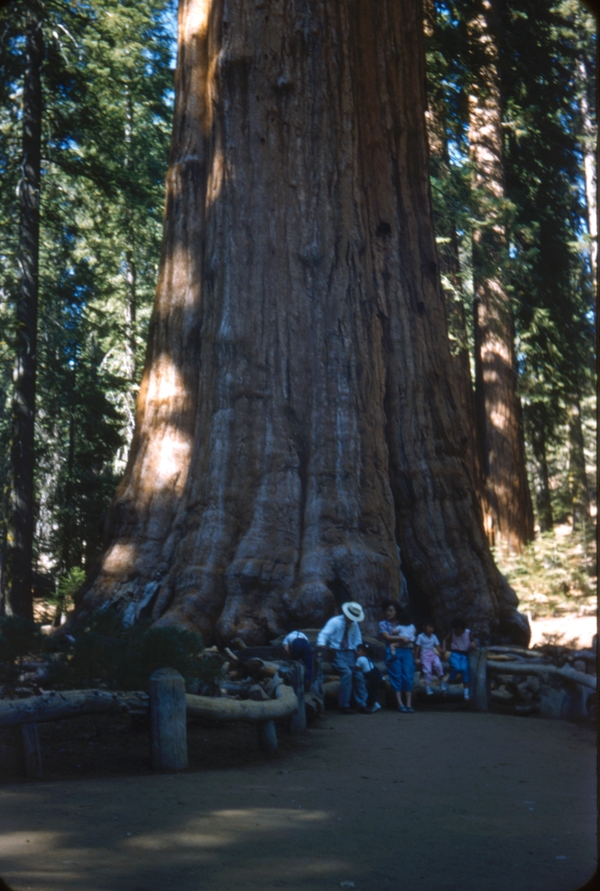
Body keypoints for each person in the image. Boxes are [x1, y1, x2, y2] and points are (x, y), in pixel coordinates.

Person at [316, 602, 369, 714]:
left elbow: (358, 640)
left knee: (359, 675)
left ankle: (362, 704)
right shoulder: (335, 622)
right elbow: (324, 634)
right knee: (347, 673)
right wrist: (321, 644)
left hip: (351, 653)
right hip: (336, 653)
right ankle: (344, 705)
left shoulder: (354, 625)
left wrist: (359, 652)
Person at [379, 601, 416, 713]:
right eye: (386, 611)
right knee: (396, 675)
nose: (388, 613)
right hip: (393, 650)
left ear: (396, 612)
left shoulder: (403, 621)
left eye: (391, 610)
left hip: (407, 650)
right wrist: (401, 638)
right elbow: (387, 637)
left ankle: (409, 703)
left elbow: (412, 633)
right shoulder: (383, 624)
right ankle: (400, 703)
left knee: (408, 675)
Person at [442, 617, 476, 700]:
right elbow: (445, 640)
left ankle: (466, 692)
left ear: (463, 629)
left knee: (464, 669)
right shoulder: (452, 632)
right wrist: (444, 649)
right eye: (456, 629)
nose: (457, 631)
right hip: (455, 653)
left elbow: (473, 641)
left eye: (459, 629)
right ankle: (448, 682)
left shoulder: (468, 633)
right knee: (457, 668)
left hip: (464, 654)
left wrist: (473, 644)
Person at [415, 622, 447, 695]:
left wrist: (443, 654)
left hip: (432, 654)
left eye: (432, 627)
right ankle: (427, 686)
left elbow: (438, 647)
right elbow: (417, 648)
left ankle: (442, 682)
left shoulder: (434, 636)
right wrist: (416, 658)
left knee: (438, 665)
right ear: (424, 627)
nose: (431, 629)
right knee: (428, 670)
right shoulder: (420, 636)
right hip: (424, 656)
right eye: (429, 627)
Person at [356, 643, 382, 712]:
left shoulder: (360, 659)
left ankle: (375, 704)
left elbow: (357, 668)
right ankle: (375, 703)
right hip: (375, 673)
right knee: (374, 689)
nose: (357, 652)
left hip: (370, 675)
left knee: (371, 690)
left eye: (358, 651)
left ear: (364, 652)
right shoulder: (368, 658)